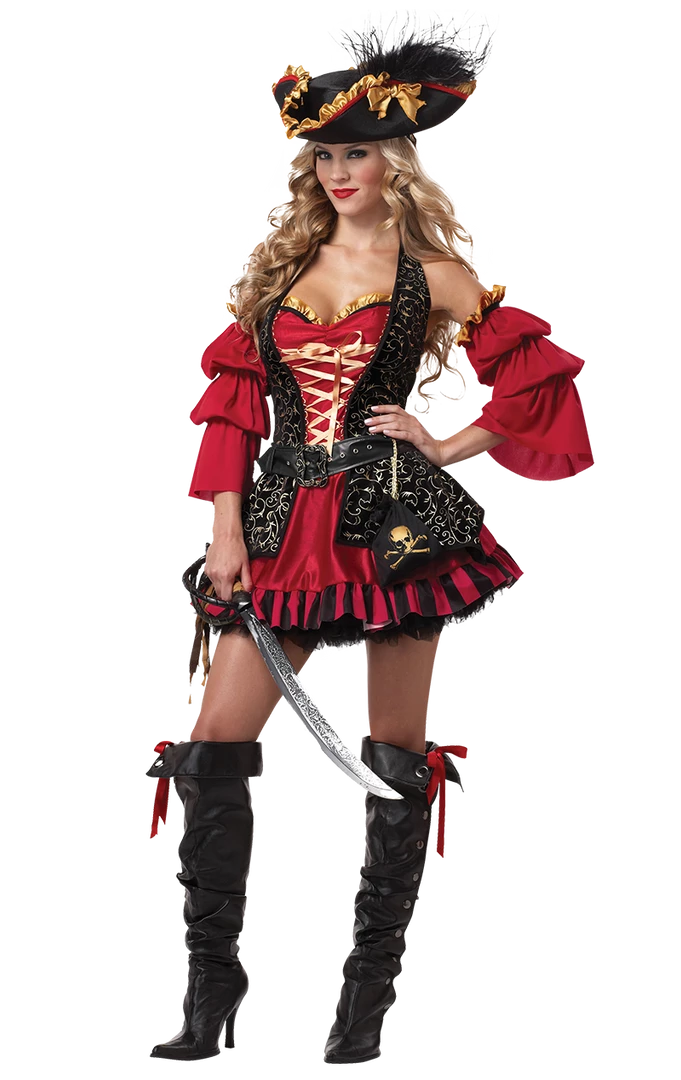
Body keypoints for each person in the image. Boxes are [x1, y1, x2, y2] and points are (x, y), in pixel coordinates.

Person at [146, 15, 596, 1064]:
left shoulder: (434, 273)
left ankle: (358, 1019)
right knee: (213, 742)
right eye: (325, 156)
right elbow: (232, 413)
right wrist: (224, 529)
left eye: (356, 153)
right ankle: (210, 1006)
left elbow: (536, 376)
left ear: (394, 158)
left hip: (394, 525)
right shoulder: (280, 272)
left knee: (393, 759)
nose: (339, 172)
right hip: (277, 523)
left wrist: (447, 443)